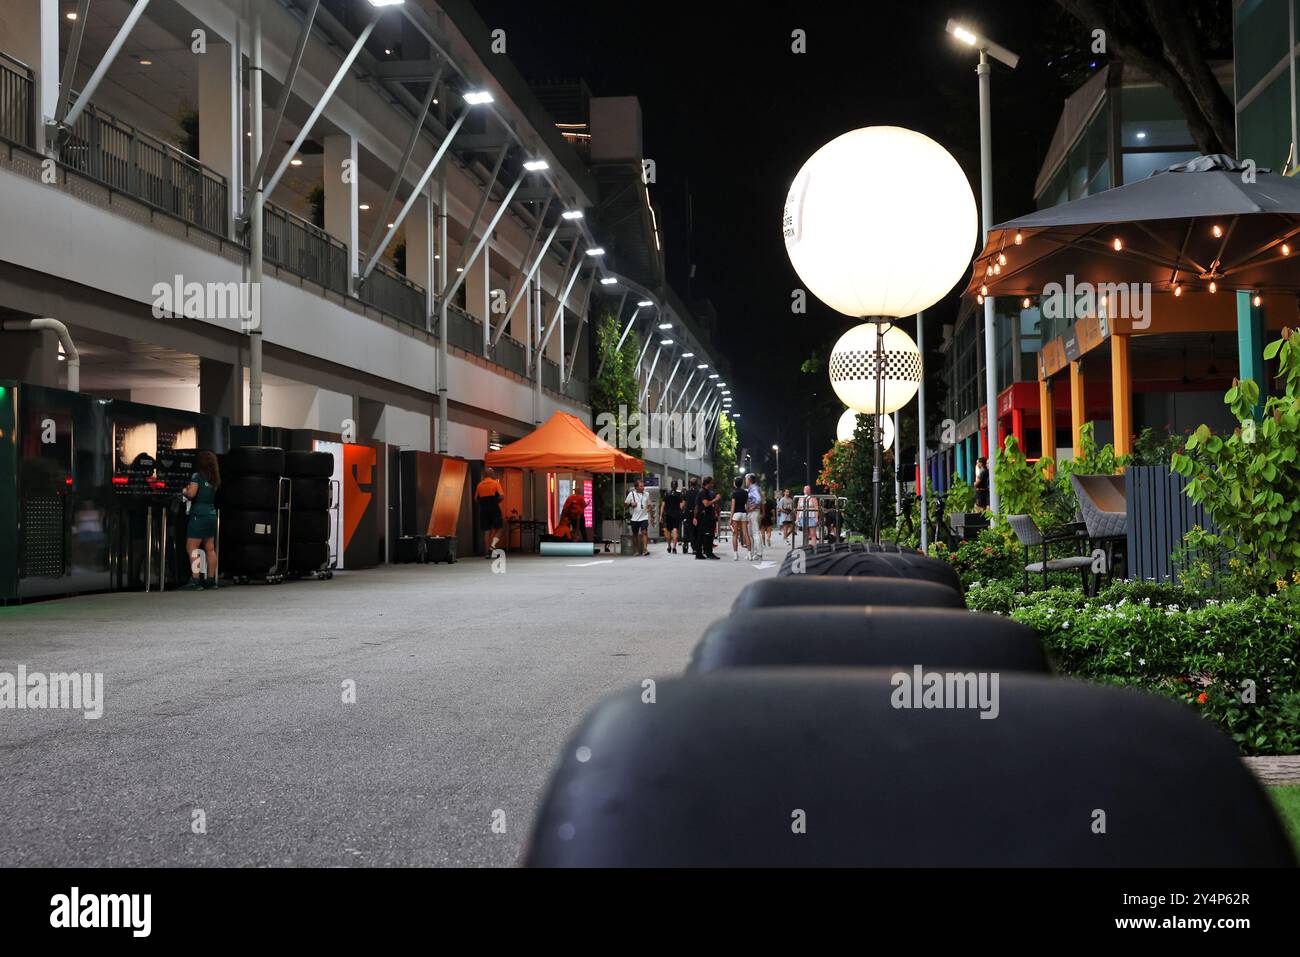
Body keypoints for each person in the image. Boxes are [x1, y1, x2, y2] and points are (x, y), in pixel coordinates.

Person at [181, 451, 221, 590]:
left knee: (192, 548)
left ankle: (195, 580)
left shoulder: (197, 476)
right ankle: (210, 580)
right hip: (211, 514)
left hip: (199, 514)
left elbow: (191, 494)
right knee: (210, 548)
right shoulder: (214, 479)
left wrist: (184, 491)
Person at [476, 468, 505, 558]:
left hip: (483, 509)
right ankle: (492, 547)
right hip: (494, 508)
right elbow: (501, 496)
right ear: (491, 474)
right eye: (493, 472)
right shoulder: (495, 483)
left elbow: (476, 499)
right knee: (499, 528)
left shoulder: (479, 485)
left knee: (486, 531)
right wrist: (495, 501)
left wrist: (484, 502)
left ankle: (487, 553)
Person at [693, 476, 720, 560]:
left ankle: (700, 553)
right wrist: (716, 499)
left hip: (705, 516)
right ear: (707, 483)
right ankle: (707, 553)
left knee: (703, 535)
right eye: (711, 483)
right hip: (704, 517)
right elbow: (706, 504)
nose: (713, 484)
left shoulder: (706, 492)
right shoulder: (702, 492)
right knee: (706, 535)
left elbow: (697, 505)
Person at [625, 478, 652, 556]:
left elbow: (649, 504)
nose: (643, 488)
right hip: (634, 518)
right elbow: (625, 503)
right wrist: (631, 504)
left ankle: (645, 549)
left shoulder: (647, 494)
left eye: (643, 486)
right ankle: (636, 550)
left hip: (644, 517)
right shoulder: (631, 494)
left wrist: (649, 510)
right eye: (641, 486)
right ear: (636, 487)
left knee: (644, 532)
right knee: (635, 534)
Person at [729, 476, 750, 562]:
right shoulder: (745, 493)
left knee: (735, 534)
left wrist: (730, 518)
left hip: (736, 515)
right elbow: (747, 505)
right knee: (746, 534)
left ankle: (735, 554)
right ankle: (749, 554)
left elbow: (733, 507)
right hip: (744, 514)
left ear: (735, 483)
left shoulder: (734, 493)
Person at [660, 479, 684, 554]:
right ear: (676, 486)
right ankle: (674, 547)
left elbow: (663, 505)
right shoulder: (679, 494)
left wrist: (661, 515)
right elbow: (682, 505)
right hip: (676, 515)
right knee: (675, 530)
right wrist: (679, 510)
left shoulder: (666, 494)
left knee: (668, 531)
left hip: (668, 515)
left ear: (671, 485)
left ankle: (669, 546)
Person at [745, 473, 763, 560]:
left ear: (750, 480)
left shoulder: (754, 488)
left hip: (754, 512)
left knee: (755, 533)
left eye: (746, 479)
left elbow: (759, 499)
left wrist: (753, 507)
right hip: (752, 512)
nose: (745, 481)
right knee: (751, 533)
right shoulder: (752, 488)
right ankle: (752, 553)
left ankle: (758, 554)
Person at [682, 477, 700, 557]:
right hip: (697, 513)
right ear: (697, 484)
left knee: (689, 530)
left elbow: (683, 504)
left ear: (690, 484)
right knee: (696, 530)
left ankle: (690, 546)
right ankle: (696, 547)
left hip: (688, 513)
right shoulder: (699, 492)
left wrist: (682, 511)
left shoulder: (687, 492)